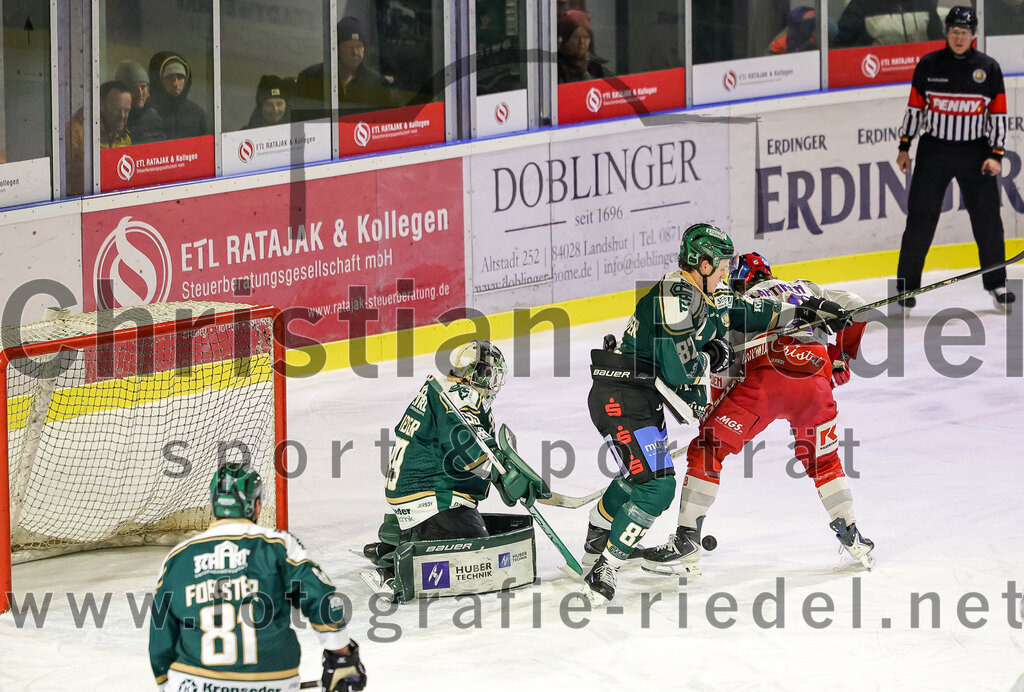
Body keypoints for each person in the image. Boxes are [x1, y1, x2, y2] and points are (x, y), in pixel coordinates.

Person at [579, 224, 853, 603]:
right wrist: (715, 354)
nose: (726, 273)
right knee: (658, 486)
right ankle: (605, 565)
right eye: (721, 266)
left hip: (642, 402)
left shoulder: (709, 293)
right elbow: (680, 370)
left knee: (642, 477)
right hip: (621, 399)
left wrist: (807, 311)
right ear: (702, 264)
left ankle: (596, 539)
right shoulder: (674, 296)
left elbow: (756, 312)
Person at [637, 252, 874, 577]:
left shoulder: (741, 306)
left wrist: (712, 417)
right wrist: (841, 358)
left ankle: (686, 540)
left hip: (765, 379)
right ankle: (851, 534)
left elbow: (724, 376)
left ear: (739, 281)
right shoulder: (806, 287)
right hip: (815, 381)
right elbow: (858, 305)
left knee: (708, 450)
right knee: (824, 462)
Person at [148, 462, 367, 692]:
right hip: (270, 683)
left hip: (194, 682)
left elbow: (160, 636)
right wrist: (341, 654)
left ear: (214, 504)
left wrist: (167, 684)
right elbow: (323, 600)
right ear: (257, 505)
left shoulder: (178, 557)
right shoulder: (277, 544)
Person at [362, 340, 544, 599]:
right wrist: (499, 472)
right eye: (490, 374)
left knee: (478, 529)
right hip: (432, 495)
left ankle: (397, 539)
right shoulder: (460, 394)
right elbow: (464, 444)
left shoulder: (445, 389)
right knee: (478, 548)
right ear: (476, 373)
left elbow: (476, 439)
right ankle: (398, 562)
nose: (493, 384)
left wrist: (505, 470)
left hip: (418, 489)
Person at [895, 6, 1015, 313]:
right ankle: (906, 288)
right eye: (954, 31)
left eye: (964, 32)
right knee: (921, 217)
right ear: (946, 32)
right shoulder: (928, 65)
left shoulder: (988, 68)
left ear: (974, 35)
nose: (958, 37)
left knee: (987, 220)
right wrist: (905, 146)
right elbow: (915, 108)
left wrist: (996, 154)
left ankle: (997, 284)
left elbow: (998, 114)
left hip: (976, 152)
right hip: (935, 150)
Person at [294, 16, 400, 118]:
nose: (355, 52)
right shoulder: (311, 78)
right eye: (348, 47)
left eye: (359, 46)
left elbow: (390, 121)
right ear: (337, 49)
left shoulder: (377, 83)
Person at [148, 51, 208, 140]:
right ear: (160, 80)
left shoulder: (197, 114)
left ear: (186, 80)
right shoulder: (146, 110)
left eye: (180, 77)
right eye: (169, 77)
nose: (175, 83)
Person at [833, 0, 943, 47]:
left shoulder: (923, 2)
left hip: (920, 77)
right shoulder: (862, 4)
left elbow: (938, 40)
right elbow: (840, 46)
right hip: (877, 81)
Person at [114, 59, 164, 144]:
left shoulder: (154, 118)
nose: (140, 93)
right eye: (134, 88)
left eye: (143, 87)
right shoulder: (113, 119)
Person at [556, 10, 612, 83]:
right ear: (566, 39)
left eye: (585, 37)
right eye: (576, 37)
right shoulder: (555, 68)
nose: (581, 42)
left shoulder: (595, 66)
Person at [99, 81, 132, 149]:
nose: (122, 116)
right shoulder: (85, 137)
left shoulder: (125, 138)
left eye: (126, 111)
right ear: (101, 106)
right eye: (116, 109)